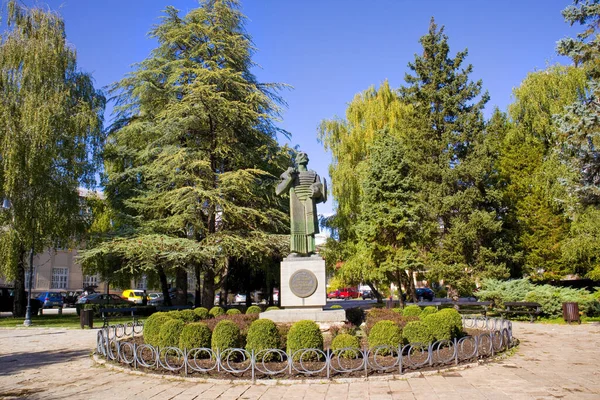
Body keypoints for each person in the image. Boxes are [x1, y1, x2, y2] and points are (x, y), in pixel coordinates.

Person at [276, 152, 326, 255]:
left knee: (310, 226)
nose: (303, 155)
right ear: (296, 160)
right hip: (296, 201)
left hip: (309, 202)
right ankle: (296, 251)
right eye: (300, 155)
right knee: (297, 227)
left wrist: (316, 191)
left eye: (305, 155)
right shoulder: (290, 173)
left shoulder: (314, 175)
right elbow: (279, 191)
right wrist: (290, 177)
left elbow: (321, 192)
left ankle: (311, 250)